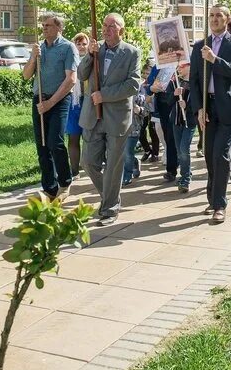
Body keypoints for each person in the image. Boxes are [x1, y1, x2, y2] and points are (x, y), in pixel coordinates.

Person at [78, 13, 142, 226]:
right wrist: (89, 55)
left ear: (121, 30)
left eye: (111, 26)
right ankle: (110, 197)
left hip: (117, 117)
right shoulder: (96, 50)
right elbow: (81, 75)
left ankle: (109, 209)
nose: (106, 29)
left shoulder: (132, 52)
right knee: (88, 162)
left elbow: (133, 84)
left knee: (114, 165)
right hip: (92, 116)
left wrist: (104, 95)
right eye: (104, 25)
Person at [189, 4, 231, 224]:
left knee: (221, 155)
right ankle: (212, 198)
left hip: (228, 108)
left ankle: (219, 205)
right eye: (211, 15)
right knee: (209, 155)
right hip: (208, 107)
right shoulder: (199, 46)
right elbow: (193, 80)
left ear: (227, 18)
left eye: (219, 15)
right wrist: (198, 107)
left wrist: (215, 60)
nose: (214, 19)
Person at [23, 13, 77, 201]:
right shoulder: (39, 48)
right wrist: (32, 58)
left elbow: (71, 79)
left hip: (59, 100)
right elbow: (26, 75)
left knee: (55, 141)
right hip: (39, 99)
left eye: (48, 25)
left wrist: (51, 103)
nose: (44, 28)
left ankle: (65, 181)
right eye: (43, 26)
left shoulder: (68, 47)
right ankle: (49, 188)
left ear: (59, 28)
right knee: (42, 145)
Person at [144, 64, 178, 182]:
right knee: (169, 137)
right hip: (163, 105)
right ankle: (171, 170)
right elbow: (148, 86)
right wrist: (152, 88)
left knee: (180, 137)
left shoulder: (184, 61)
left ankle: (185, 170)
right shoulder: (158, 66)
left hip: (181, 102)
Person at [66, 32, 90, 178]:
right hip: (74, 102)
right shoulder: (70, 61)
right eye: (78, 44)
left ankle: (92, 166)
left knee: (90, 138)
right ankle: (74, 171)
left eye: (84, 44)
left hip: (89, 102)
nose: (81, 47)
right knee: (73, 137)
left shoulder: (93, 60)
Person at [171, 61, 195, 193]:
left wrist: (187, 107)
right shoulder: (175, 81)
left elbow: (199, 102)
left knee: (184, 149)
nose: (179, 68)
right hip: (176, 121)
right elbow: (168, 101)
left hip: (189, 122)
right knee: (179, 151)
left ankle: (185, 178)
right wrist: (174, 95)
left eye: (182, 65)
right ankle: (185, 173)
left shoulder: (195, 82)